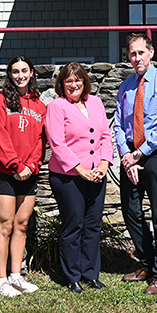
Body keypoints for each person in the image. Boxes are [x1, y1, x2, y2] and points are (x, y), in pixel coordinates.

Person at [113, 32, 157, 295]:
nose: (137, 58)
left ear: (151, 53)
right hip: (130, 156)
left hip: (155, 155)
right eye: (132, 53)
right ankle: (146, 264)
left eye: (141, 52)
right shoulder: (126, 86)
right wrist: (126, 156)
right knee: (131, 212)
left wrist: (138, 154)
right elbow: (118, 124)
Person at [45, 62, 112, 294]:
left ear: (84, 81)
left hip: (97, 174)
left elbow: (105, 134)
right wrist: (80, 169)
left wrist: (104, 164)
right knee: (74, 225)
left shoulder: (95, 102)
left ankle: (91, 274)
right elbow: (57, 143)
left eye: (78, 80)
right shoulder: (56, 106)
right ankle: (73, 276)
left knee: (93, 225)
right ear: (61, 84)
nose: (73, 84)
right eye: (68, 81)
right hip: (68, 177)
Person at [0, 56, 46, 297]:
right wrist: (15, 165)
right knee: (5, 225)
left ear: (31, 72)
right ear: (9, 75)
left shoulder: (40, 106)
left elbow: (41, 141)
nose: (20, 75)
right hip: (4, 173)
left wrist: (30, 166)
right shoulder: (0, 102)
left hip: (28, 173)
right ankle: (1, 281)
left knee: (21, 225)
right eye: (15, 71)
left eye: (24, 70)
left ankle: (15, 276)